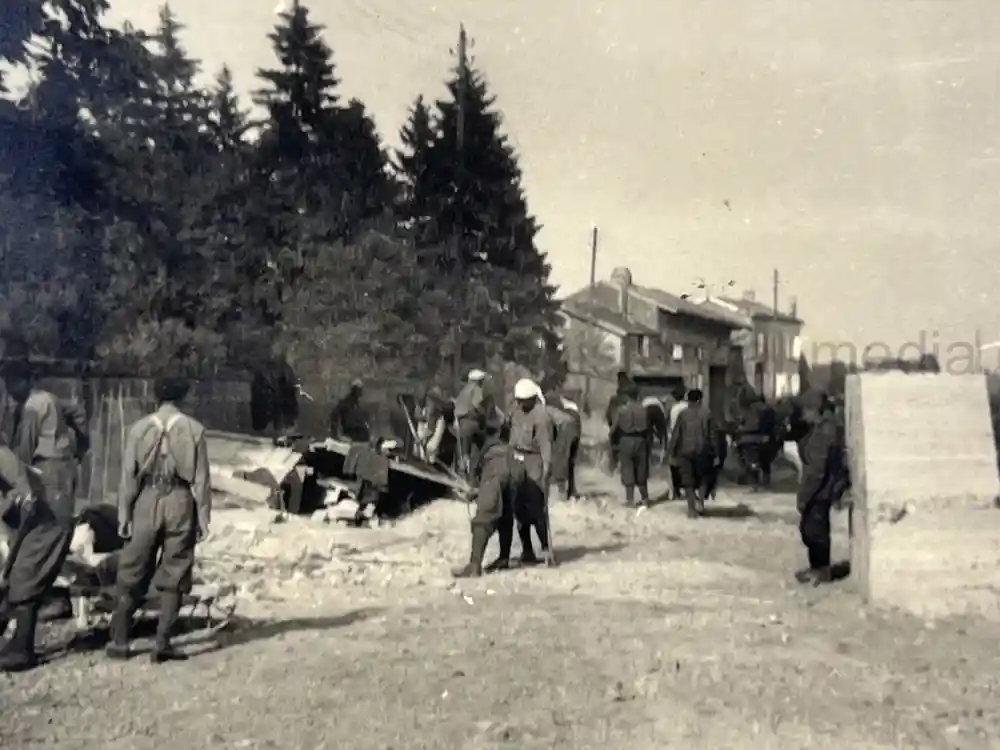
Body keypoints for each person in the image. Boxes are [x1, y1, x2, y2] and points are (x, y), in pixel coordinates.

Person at [105, 375, 212, 663]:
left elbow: (127, 476)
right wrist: (203, 517)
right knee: (175, 570)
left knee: (132, 568)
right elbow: (200, 481)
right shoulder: (194, 429)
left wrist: (124, 513)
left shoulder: (139, 429)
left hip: (146, 499)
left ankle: (120, 642)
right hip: (179, 499)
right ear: (184, 395)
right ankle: (162, 644)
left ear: (156, 395)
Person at [0, 360, 81, 672]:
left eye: (12, 383)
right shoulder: (48, 400)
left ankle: (21, 647)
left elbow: (19, 462)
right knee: (22, 562)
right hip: (48, 480)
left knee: (25, 565)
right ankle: (18, 637)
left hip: (44, 483)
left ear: (25, 380)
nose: (9, 391)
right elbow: (78, 415)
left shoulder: (34, 406)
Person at [452, 411, 514, 578]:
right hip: (513, 466)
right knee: (506, 515)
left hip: (495, 470)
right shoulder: (503, 430)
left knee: (483, 518)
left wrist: (472, 491)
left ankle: (474, 565)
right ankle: (504, 558)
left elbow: (476, 477)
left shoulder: (478, 437)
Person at [794, 389, 844, 585]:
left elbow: (817, 470)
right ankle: (817, 568)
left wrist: (804, 496)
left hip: (820, 490)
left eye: (805, 410)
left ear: (814, 410)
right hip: (821, 488)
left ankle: (822, 572)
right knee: (811, 530)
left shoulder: (824, 431)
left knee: (815, 531)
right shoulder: (822, 428)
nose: (803, 415)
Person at [502, 378, 553, 566]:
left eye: (523, 400)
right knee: (518, 508)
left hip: (534, 462)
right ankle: (527, 550)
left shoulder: (541, 416)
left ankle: (546, 548)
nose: (520, 403)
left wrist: (547, 469)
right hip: (516, 460)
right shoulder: (515, 414)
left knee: (537, 508)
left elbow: (546, 445)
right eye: (518, 400)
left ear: (532, 398)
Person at [667, 389, 716, 518]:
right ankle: (700, 503)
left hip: (685, 451)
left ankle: (691, 510)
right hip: (703, 451)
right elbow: (713, 435)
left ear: (689, 399)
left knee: (688, 481)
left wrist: (671, 452)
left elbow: (676, 435)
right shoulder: (707, 414)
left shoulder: (683, 414)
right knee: (702, 478)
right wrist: (715, 452)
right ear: (700, 399)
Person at [611, 384, 651, 507]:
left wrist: (613, 442)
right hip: (640, 440)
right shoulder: (644, 409)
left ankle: (630, 499)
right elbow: (648, 428)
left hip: (625, 440)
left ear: (627, 396)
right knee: (641, 468)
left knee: (627, 468)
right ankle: (645, 498)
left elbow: (614, 428)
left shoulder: (621, 410)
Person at [545, 390, 580, 502]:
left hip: (565, 429)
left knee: (560, 460)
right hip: (573, 427)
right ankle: (571, 491)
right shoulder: (555, 408)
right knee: (569, 461)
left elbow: (549, 432)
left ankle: (562, 495)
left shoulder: (543, 410)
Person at [453, 369, 488, 479]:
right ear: (478, 381)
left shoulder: (464, 390)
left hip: (460, 425)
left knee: (463, 452)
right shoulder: (476, 389)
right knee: (485, 446)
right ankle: (477, 474)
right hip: (472, 424)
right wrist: (484, 413)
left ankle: (462, 475)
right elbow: (477, 404)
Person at [604, 371, 632, 473]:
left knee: (614, 446)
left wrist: (611, 425)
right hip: (627, 427)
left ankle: (613, 466)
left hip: (618, 427)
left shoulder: (616, 399)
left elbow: (609, 414)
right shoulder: (627, 396)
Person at [666, 385, 688, 499]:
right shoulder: (687, 406)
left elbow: (671, 425)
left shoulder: (674, 409)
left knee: (674, 465)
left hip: (675, 438)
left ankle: (675, 491)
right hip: (686, 438)